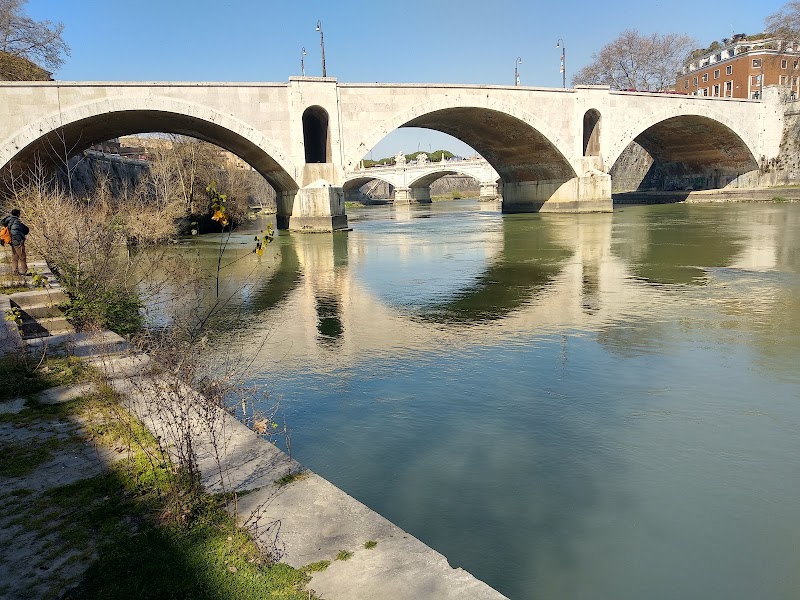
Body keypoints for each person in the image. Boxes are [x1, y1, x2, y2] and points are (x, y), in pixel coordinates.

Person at [1, 208, 29, 275]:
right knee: (22, 256)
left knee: (15, 256)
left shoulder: (9, 221)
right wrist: (20, 240)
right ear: (18, 214)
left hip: (12, 241)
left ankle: (15, 271)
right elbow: (15, 231)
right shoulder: (16, 221)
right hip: (17, 241)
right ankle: (25, 271)